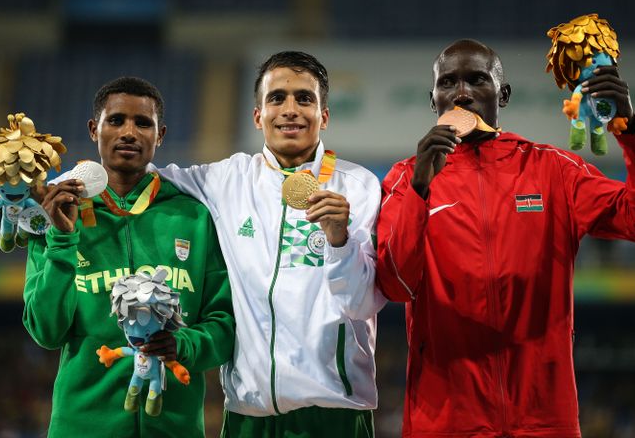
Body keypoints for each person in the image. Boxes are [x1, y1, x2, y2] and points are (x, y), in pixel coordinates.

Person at [376, 39, 635, 437]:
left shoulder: (553, 170)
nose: (461, 92)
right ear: (434, 100)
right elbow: (394, 283)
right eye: (448, 83)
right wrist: (420, 189)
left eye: (477, 79)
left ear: (503, 94)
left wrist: (629, 130)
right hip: (446, 420)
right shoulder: (404, 178)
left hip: (544, 418)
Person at [156, 51, 386, 437]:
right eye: (277, 98)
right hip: (249, 414)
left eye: (304, 98)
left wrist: (340, 240)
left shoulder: (358, 186)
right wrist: (59, 186)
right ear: (258, 115)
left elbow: (362, 303)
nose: (290, 110)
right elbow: (137, 178)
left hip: (335, 414)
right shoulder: (225, 180)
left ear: (324, 116)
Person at [23, 77, 235, 437]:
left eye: (143, 123)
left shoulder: (194, 218)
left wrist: (183, 345)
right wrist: (62, 241)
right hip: (82, 427)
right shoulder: (59, 212)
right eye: (116, 120)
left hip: (174, 429)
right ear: (95, 129)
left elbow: (224, 323)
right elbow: (46, 331)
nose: (129, 132)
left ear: (161, 134)